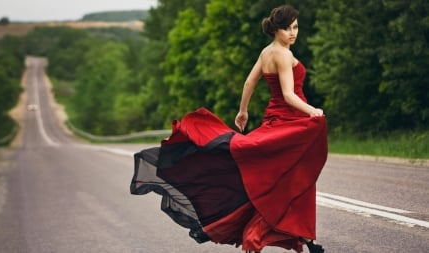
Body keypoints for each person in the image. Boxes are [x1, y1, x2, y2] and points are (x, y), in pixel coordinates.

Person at [130, 4, 327, 253]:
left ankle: (304, 240)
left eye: (295, 27)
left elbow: (249, 81)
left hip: (277, 120)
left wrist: (242, 111)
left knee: (283, 179)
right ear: (276, 30)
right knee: (290, 179)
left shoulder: (267, 52)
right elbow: (288, 94)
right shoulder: (283, 55)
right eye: (287, 28)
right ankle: (274, 236)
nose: (292, 32)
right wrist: (312, 111)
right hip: (289, 121)